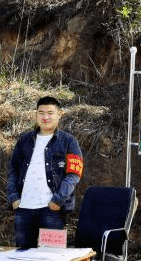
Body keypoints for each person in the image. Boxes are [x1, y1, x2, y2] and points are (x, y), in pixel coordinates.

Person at [6, 95, 84, 249]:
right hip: (23, 210)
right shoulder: (24, 140)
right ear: (36, 114)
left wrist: (58, 200)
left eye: (50, 113)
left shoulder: (69, 141)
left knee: (52, 256)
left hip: (52, 210)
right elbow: (12, 170)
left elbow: (73, 174)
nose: (45, 117)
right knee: (22, 255)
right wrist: (14, 197)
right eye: (41, 113)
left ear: (59, 114)